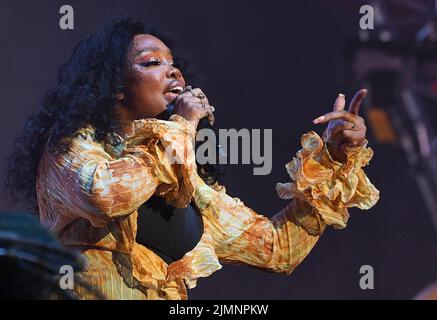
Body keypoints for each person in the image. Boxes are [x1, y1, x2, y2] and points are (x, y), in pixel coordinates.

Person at [6, 17, 379, 300]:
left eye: (173, 63)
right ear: (115, 86)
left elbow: (278, 250)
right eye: (151, 62)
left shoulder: (188, 185)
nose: (173, 70)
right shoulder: (74, 145)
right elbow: (105, 195)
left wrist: (332, 156)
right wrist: (182, 126)